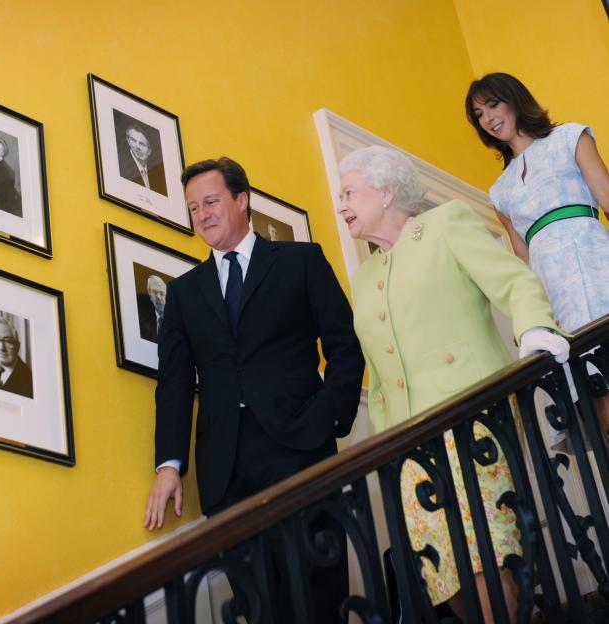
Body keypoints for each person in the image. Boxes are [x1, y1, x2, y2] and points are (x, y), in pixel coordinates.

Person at [339, 145, 569, 622]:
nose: (340, 205)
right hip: (410, 453)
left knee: (484, 559)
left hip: (472, 429)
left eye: (349, 193)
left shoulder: (446, 225)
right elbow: (379, 380)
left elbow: (516, 284)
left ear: (384, 193)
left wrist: (534, 329)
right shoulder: (363, 279)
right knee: (443, 574)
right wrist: (385, 444)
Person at [144, 157, 365, 621]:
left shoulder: (301, 262)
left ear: (242, 200)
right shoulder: (183, 293)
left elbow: (346, 346)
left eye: (211, 201)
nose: (202, 215)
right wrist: (169, 464)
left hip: (301, 447)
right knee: (259, 604)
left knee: (319, 592)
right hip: (226, 469)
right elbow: (176, 383)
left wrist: (328, 414)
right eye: (193, 208)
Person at [466, 72, 609, 445]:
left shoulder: (570, 137)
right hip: (553, 290)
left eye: (493, 104)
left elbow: (607, 197)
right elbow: (523, 261)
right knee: (592, 402)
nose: (488, 118)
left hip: (596, 264)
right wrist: (535, 317)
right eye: (479, 114)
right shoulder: (499, 192)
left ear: (515, 99)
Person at [118, 125, 167, 196]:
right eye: (133, 140)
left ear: (149, 150)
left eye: (142, 144)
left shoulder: (160, 173)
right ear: (128, 141)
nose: (137, 146)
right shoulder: (121, 169)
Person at [137, 274, 167, 343]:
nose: (158, 297)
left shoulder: (176, 321)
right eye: (155, 293)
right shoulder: (143, 320)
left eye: (162, 293)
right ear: (150, 296)